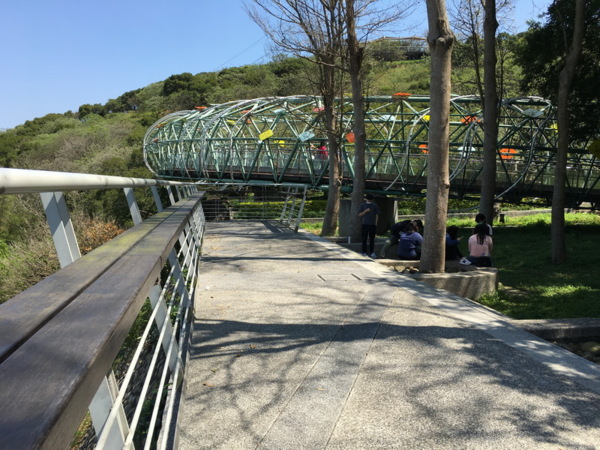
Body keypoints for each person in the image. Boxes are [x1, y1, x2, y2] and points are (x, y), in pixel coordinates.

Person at [358, 194, 380, 258]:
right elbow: (360, 214)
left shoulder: (375, 205)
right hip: (365, 224)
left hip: (371, 224)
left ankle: (370, 252)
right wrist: (365, 211)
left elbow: (377, 215)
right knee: (365, 238)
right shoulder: (363, 205)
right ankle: (364, 252)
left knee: (371, 239)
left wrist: (375, 224)